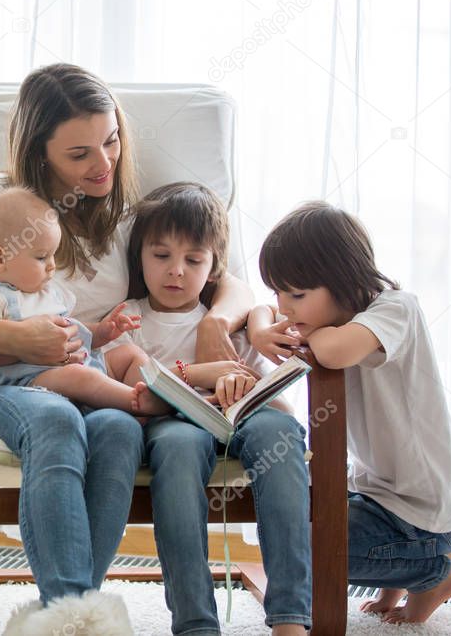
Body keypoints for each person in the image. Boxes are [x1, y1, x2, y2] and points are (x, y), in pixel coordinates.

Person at [0, 62, 254, 634]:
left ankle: (71, 612)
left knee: (120, 429)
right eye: (79, 154)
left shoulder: (121, 207)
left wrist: (217, 324)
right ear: (39, 152)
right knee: (57, 417)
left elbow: (228, 277)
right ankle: (76, 617)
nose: (102, 164)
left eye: (110, 142)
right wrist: (14, 336)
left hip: (91, 375)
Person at [252, 201, 451, 625]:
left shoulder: (395, 308)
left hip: (426, 514)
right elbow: (258, 313)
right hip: (381, 494)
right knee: (292, 523)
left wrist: (311, 332)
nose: (284, 308)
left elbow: (334, 353)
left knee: (315, 548)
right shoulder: (343, 314)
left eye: (296, 295)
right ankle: (395, 584)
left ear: (345, 282)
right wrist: (262, 329)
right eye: (278, 293)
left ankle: (435, 576)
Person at [118, 182, 311, 636]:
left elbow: (278, 402)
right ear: (140, 257)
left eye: (193, 260)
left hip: (245, 417)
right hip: (173, 423)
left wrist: (245, 381)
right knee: (179, 449)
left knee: (280, 436)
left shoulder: (236, 319)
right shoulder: (128, 317)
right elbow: (138, 392)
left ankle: (291, 618)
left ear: (213, 267)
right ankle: (195, 622)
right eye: (161, 256)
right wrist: (203, 374)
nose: (176, 272)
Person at [0, 186, 157, 415]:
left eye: (53, 254)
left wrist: (102, 332)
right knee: (79, 376)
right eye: (41, 256)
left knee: (129, 353)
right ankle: (133, 402)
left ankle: (150, 397)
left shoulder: (50, 292)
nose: (52, 265)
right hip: (27, 381)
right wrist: (26, 348)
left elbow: (72, 333)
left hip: (80, 368)